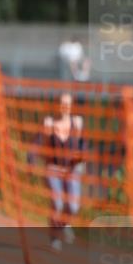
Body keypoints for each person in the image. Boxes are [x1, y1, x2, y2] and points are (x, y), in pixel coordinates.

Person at [39, 92, 85, 251]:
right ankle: (54, 237)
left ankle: (64, 224)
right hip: (53, 169)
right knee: (57, 204)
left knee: (73, 207)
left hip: (71, 170)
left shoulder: (77, 122)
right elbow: (44, 148)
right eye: (61, 103)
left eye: (67, 103)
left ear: (71, 106)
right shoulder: (48, 122)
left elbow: (79, 147)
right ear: (57, 104)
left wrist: (77, 164)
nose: (64, 106)